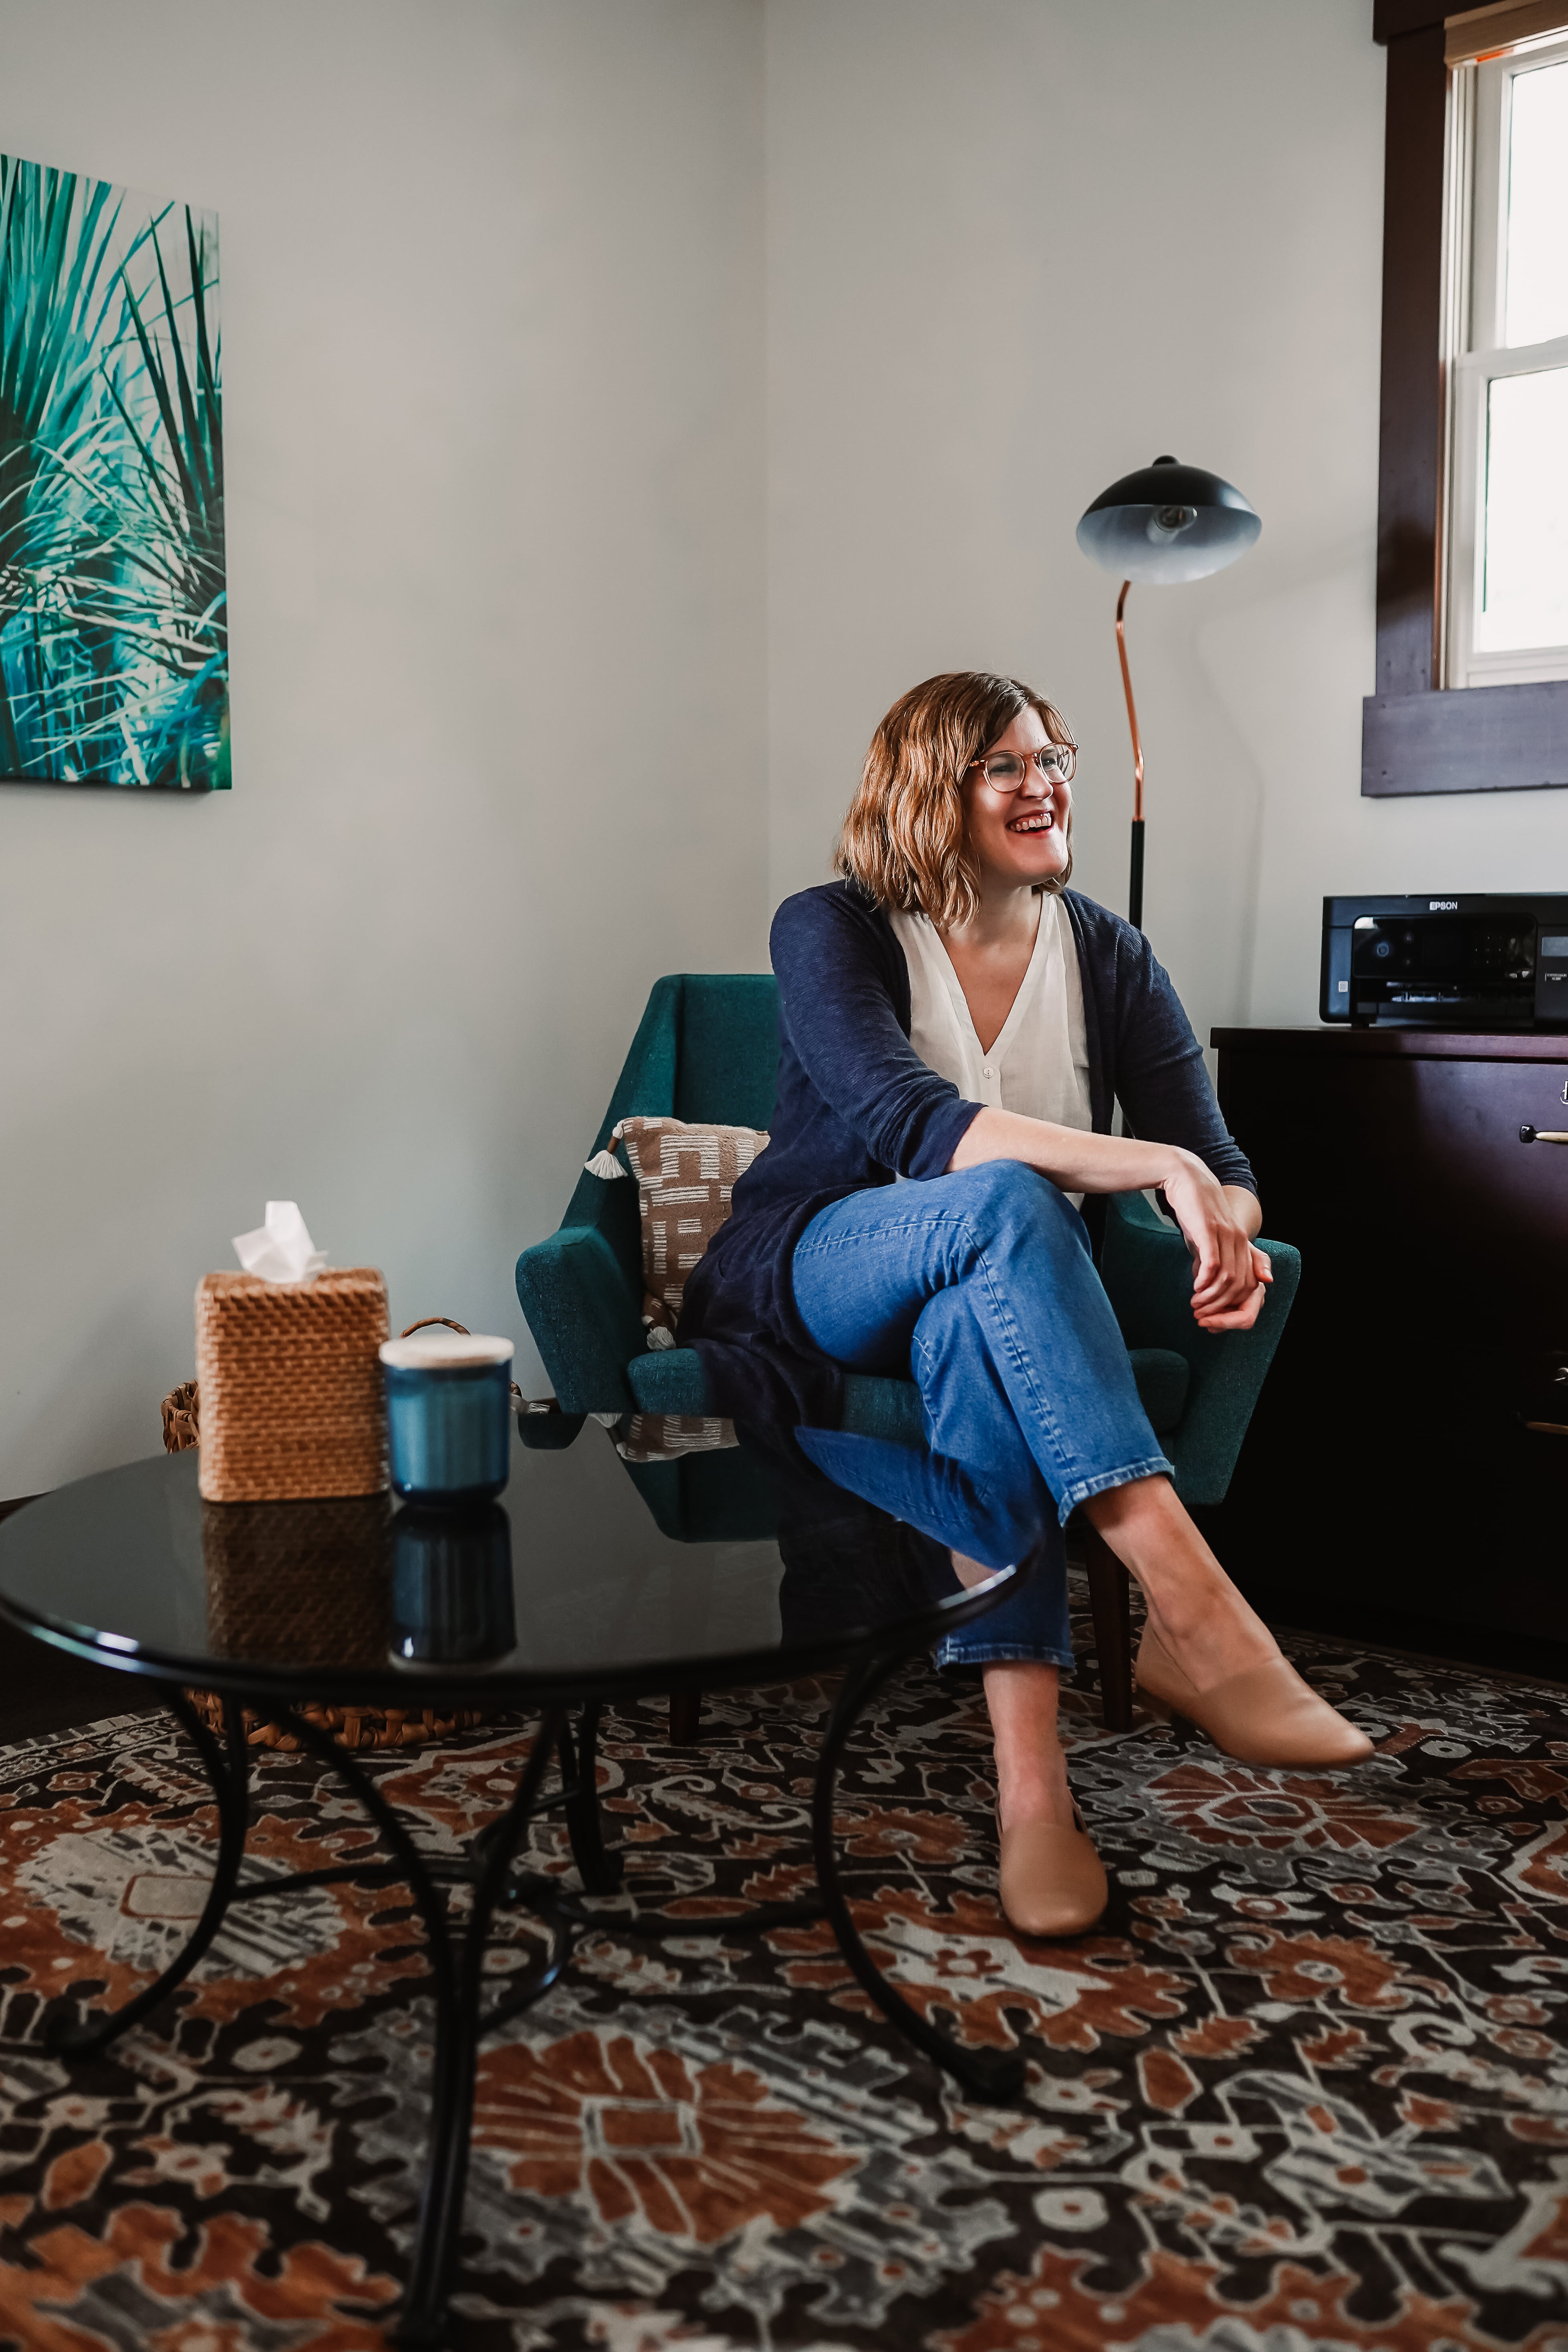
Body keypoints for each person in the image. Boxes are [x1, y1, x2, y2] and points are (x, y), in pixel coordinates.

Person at [681, 670, 1372, 1939]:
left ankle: (1032, 1801)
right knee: (1003, 1194)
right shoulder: (827, 925)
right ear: (925, 788)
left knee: (975, 1334)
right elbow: (911, 1125)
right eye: (1005, 764)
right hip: (825, 1262)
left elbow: (1220, 1164)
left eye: (1053, 758)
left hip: (994, 1295)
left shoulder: (1105, 951)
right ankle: (1190, 1599)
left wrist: (1216, 1221)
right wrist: (1158, 1171)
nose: (1044, 782)